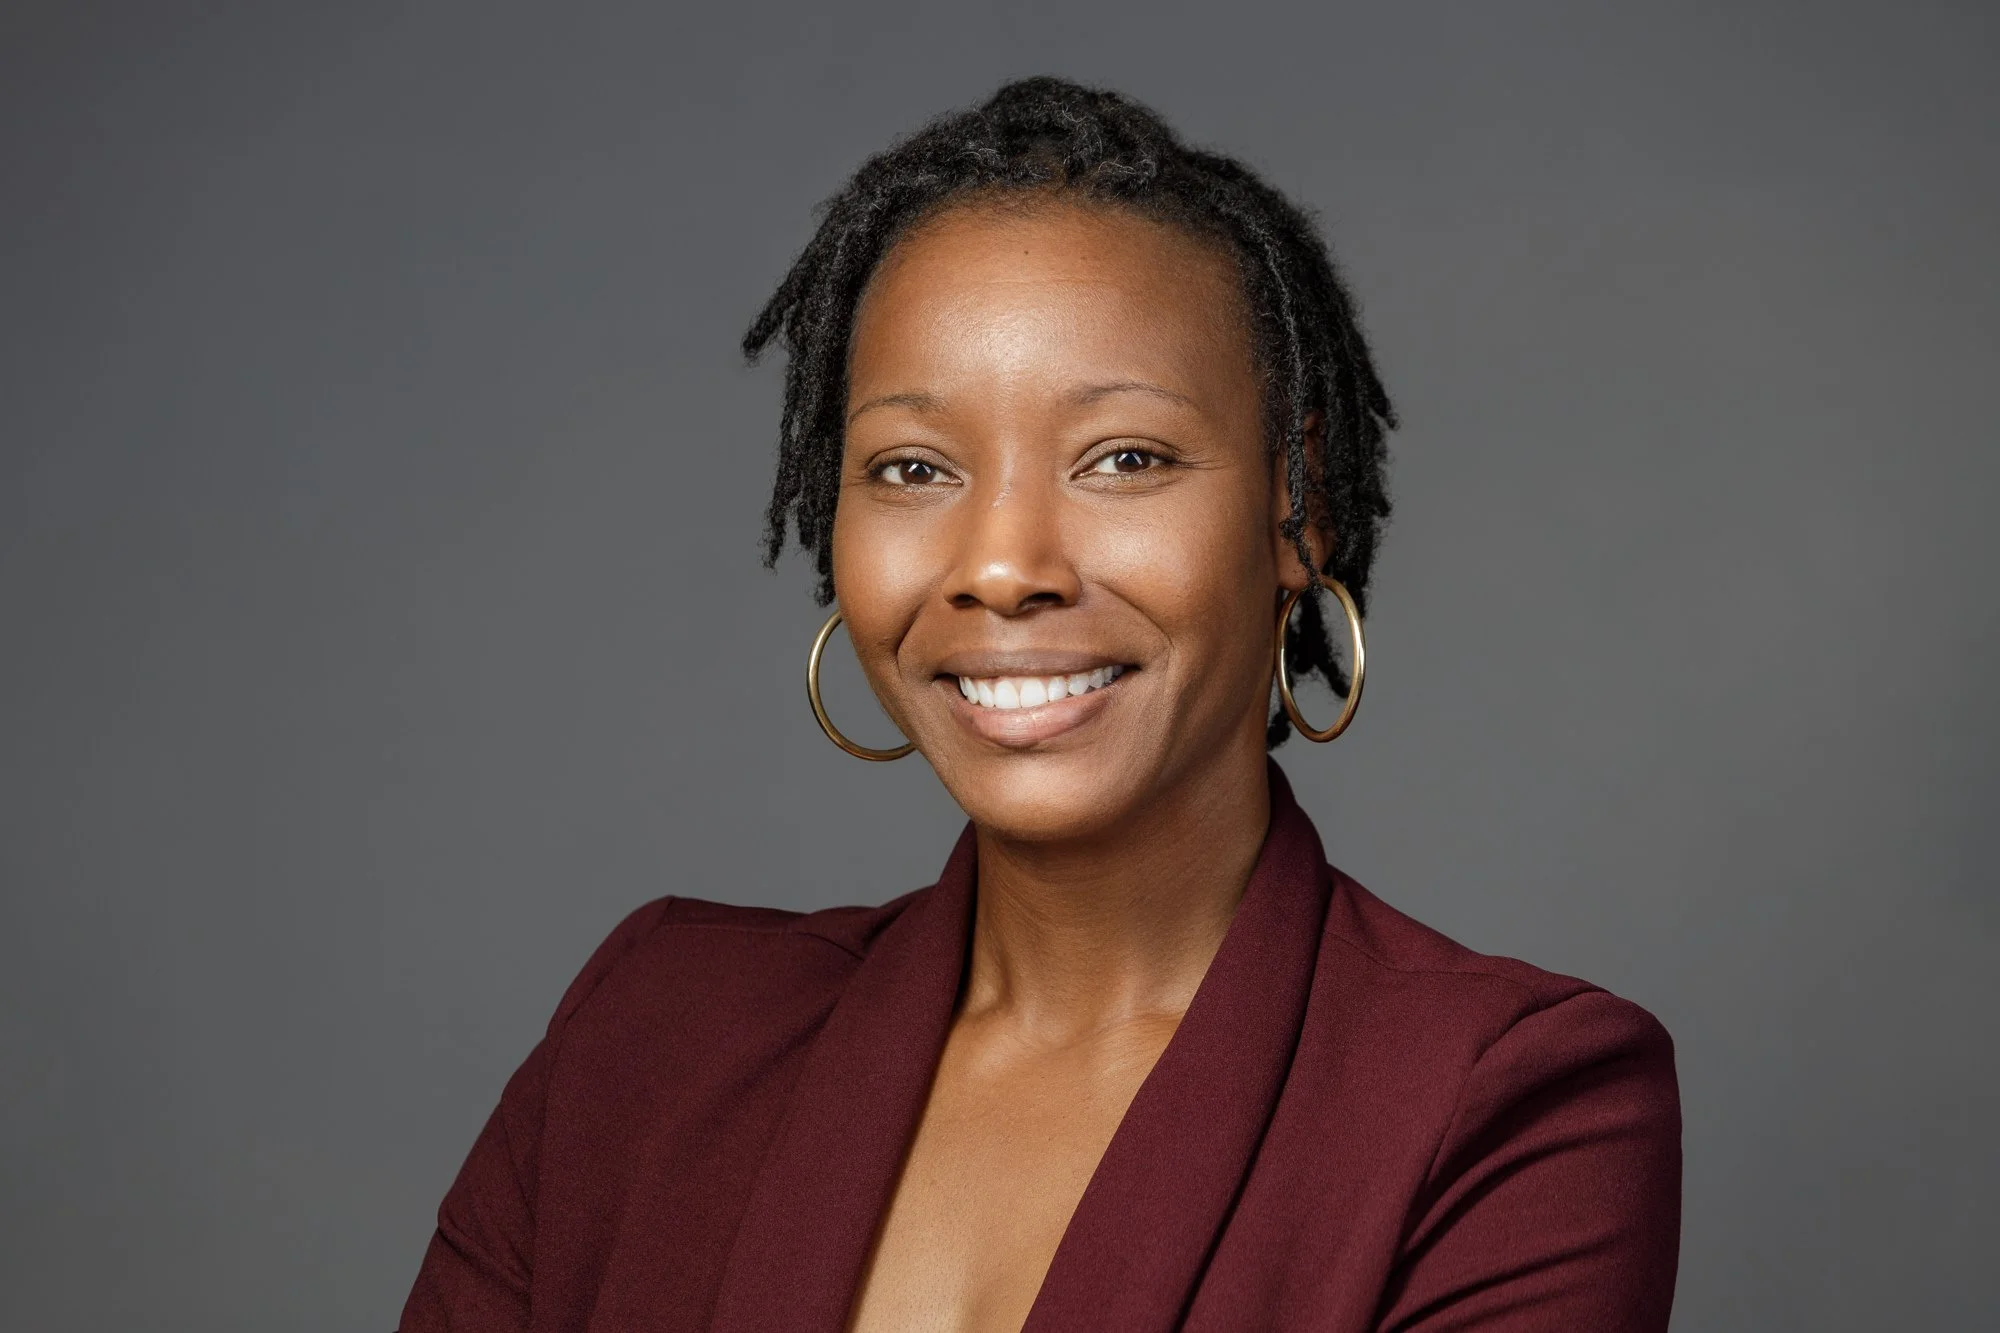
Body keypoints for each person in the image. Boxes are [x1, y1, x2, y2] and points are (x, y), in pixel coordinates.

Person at [400, 76, 1681, 1332]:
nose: (1002, 565)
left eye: (1122, 458)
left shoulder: (1506, 1108)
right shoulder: (650, 1039)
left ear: (1300, 511)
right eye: (912, 467)